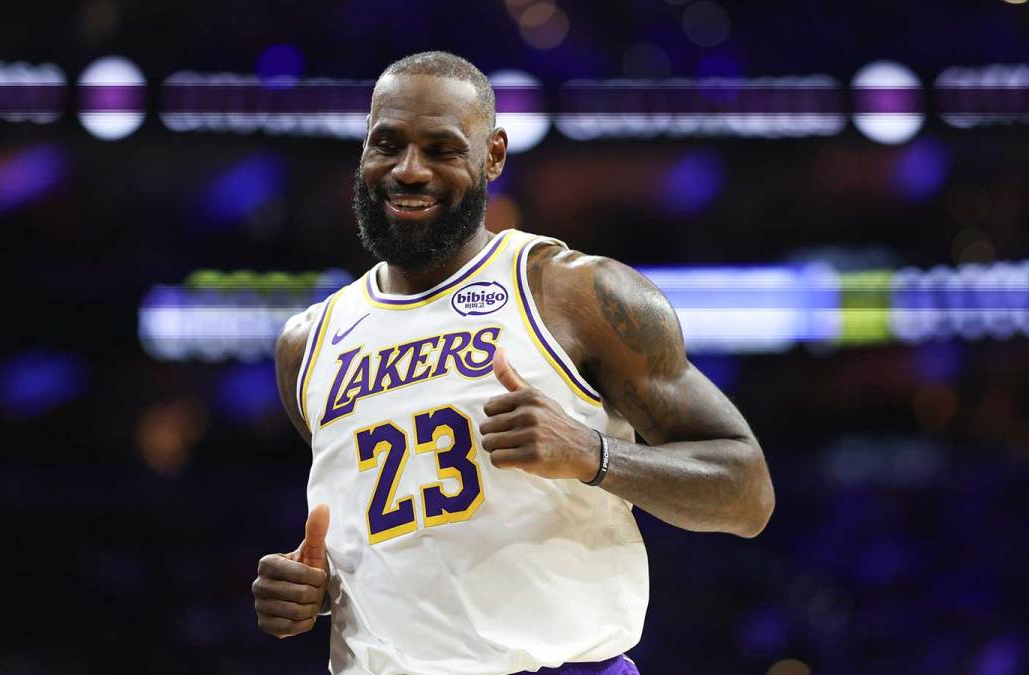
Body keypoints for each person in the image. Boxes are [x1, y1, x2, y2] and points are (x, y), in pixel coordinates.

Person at [252, 51, 775, 675]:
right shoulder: (308, 342)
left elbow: (748, 493)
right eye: (387, 144)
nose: (408, 170)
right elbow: (405, 529)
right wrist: (310, 588)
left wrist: (591, 453)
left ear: (493, 155)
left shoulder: (574, 294)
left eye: (441, 149)